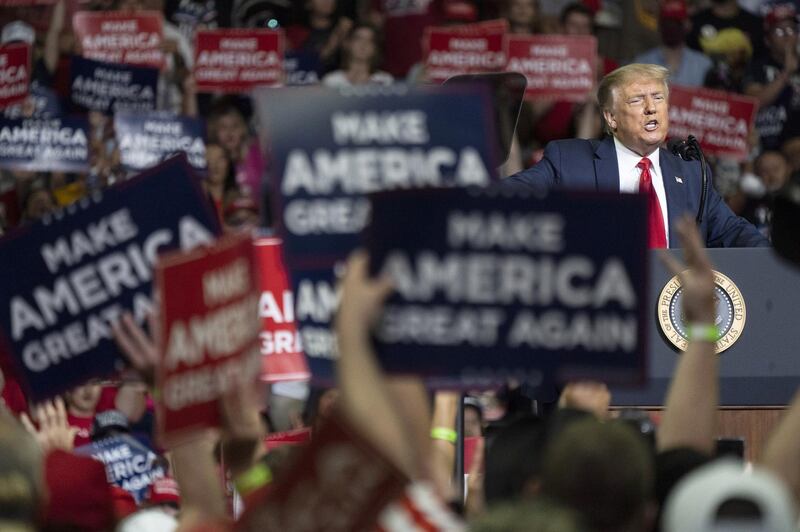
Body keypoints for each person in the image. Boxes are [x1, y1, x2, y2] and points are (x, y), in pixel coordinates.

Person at [506, 63, 769, 248]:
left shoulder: (690, 174)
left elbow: (732, 231)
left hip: (673, 312)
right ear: (611, 118)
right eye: (637, 100)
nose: (651, 108)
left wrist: (776, 261)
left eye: (657, 98)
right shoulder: (570, 161)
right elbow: (506, 197)